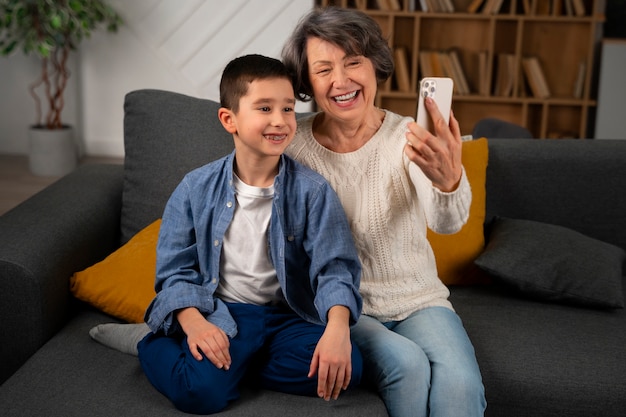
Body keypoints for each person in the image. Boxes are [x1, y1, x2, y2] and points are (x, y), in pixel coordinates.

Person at [281, 7, 486, 417]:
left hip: (418, 299)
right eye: (324, 70)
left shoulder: (408, 136)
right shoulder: (292, 145)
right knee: (407, 365)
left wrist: (448, 181)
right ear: (307, 82)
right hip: (344, 307)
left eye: (353, 62)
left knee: (461, 386)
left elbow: (445, 223)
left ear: (375, 66)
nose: (341, 81)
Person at [135, 54, 363, 414]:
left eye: (288, 109)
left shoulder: (313, 191)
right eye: (264, 108)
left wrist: (337, 329)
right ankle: (154, 344)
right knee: (201, 394)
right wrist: (194, 324)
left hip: (286, 316)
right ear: (230, 119)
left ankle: (236, 366)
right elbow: (175, 271)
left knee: (347, 368)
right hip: (223, 313)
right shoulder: (195, 188)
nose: (280, 121)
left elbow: (335, 269)